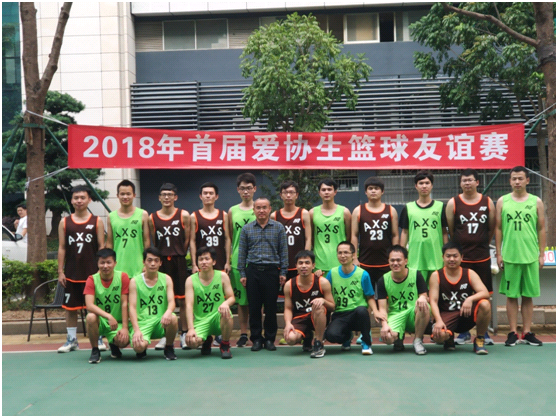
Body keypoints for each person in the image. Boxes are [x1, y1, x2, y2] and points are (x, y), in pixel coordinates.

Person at [496, 166, 546, 347]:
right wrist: (499, 253)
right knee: (511, 296)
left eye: (520, 178)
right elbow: (498, 228)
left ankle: (527, 332)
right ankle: (512, 332)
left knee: (528, 295)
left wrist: (541, 254)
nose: (517, 181)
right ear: (510, 181)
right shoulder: (502, 201)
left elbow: (541, 228)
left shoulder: (536, 201)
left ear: (527, 180)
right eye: (514, 179)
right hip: (510, 256)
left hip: (530, 256)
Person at [446, 168, 495, 345]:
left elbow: (490, 228)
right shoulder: (453, 203)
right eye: (464, 180)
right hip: (462, 259)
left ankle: (483, 332)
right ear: (460, 183)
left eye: (470, 180)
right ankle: (464, 331)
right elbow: (452, 230)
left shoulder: (487, 202)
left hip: (481, 257)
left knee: (483, 296)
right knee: (461, 295)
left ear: (477, 182)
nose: (467, 183)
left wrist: (481, 243)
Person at [57, 185, 105, 353]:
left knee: (94, 307)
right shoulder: (64, 222)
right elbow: (62, 247)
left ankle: (98, 338)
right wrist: (60, 271)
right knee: (71, 308)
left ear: (89, 200)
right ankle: (71, 340)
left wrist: (101, 270)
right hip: (71, 272)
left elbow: (101, 246)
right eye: (76, 198)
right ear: (71, 200)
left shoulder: (97, 221)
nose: (79, 201)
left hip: (92, 273)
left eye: (82, 197)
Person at [238, 197, 288, 351]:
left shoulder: (278, 228)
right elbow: (242, 253)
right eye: (258, 208)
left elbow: (283, 251)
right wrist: (242, 273)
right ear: (254, 210)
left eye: (264, 207)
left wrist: (283, 271)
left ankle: (270, 339)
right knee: (254, 307)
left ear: (270, 209)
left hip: (271, 271)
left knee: (271, 307)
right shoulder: (246, 229)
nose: (261, 210)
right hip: (252, 271)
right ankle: (256, 339)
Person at [429, 242, 491, 355]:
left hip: (466, 314)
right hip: (447, 314)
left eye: (455, 256)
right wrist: (438, 321)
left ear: (461, 257)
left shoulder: (469, 273)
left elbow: (485, 292)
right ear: (443, 257)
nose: (452, 259)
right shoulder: (436, 275)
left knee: (485, 304)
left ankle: (479, 339)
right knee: (439, 337)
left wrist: (470, 299)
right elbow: (433, 301)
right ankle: (449, 337)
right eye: (448, 256)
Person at [148, 182, 190, 349]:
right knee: (164, 300)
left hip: (178, 260)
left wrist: (179, 252)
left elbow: (187, 239)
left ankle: (184, 333)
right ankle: (166, 335)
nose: (167, 197)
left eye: (170, 194)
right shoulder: (152, 218)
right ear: (159, 198)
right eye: (164, 195)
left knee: (182, 299)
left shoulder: (184, 215)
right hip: (162, 262)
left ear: (175, 197)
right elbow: (154, 239)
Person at [376, 245, 430, 355]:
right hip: (395, 314)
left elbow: (424, 295)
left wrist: (422, 298)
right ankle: (398, 339)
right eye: (392, 260)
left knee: (424, 305)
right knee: (388, 338)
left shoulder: (416, 274)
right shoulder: (383, 280)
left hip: (412, 313)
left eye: (398, 260)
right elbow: (382, 309)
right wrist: (384, 325)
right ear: (388, 261)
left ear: (406, 261)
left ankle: (418, 340)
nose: (395, 263)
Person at [324, 241, 376, 355]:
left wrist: (376, 311)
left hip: (357, 315)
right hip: (340, 314)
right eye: (340, 253)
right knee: (331, 335)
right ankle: (347, 336)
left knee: (362, 310)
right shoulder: (332, 273)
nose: (343, 256)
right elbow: (323, 290)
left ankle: (366, 343)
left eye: (346, 252)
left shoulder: (363, 274)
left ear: (353, 255)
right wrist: (317, 276)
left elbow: (370, 296)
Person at [185, 247, 235, 359]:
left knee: (227, 314)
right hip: (201, 320)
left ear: (214, 262)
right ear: (197, 262)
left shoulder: (222, 276)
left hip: (218, 317)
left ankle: (225, 344)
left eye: (207, 259)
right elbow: (188, 305)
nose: (204, 262)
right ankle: (206, 340)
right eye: (201, 259)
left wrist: (226, 303)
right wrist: (190, 328)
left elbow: (232, 297)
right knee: (191, 342)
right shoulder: (190, 280)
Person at [129, 247, 179, 360]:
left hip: (160, 322)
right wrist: (136, 330)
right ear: (144, 262)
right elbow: (131, 308)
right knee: (138, 347)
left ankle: (169, 347)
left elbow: (172, 302)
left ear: (160, 263)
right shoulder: (135, 281)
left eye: (156, 260)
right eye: (149, 260)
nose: (153, 264)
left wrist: (168, 312)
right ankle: (143, 346)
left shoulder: (166, 279)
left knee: (173, 318)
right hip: (143, 323)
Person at [283, 250, 335, 358]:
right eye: (300, 263)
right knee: (290, 339)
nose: (304, 266)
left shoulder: (322, 282)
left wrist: (323, 300)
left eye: (307, 263)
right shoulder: (289, 285)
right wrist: (288, 323)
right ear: (296, 266)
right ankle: (307, 335)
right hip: (300, 317)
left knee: (318, 306)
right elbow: (288, 308)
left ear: (313, 265)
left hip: (318, 316)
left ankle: (318, 343)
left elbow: (332, 307)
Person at [351, 176, 399, 292]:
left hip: (386, 261)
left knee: (387, 294)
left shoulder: (391, 210)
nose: (373, 191)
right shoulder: (358, 210)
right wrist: (354, 257)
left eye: (376, 188)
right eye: (370, 188)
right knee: (367, 295)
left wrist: (394, 256)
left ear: (382, 191)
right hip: (365, 261)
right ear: (365, 192)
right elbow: (354, 235)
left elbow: (395, 235)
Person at [399, 170, 449, 283]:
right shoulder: (408, 208)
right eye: (421, 183)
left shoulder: (440, 207)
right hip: (415, 260)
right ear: (416, 186)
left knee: (435, 291)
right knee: (418, 292)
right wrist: (402, 255)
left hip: (436, 259)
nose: (424, 186)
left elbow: (444, 232)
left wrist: (446, 253)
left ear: (432, 185)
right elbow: (405, 232)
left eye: (427, 183)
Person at [84, 248, 130, 363]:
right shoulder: (91, 279)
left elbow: (125, 303)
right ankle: (95, 350)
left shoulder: (123, 277)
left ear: (115, 263)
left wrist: (125, 328)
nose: (105, 266)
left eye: (109, 262)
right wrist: (108, 316)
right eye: (102, 263)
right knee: (90, 317)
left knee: (124, 341)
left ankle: (113, 344)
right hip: (101, 321)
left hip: (117, 322)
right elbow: (89, 305)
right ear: (97, 264)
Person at [228, 173, 257, 347]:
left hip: (257, 261)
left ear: (254, 189)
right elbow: (229, 238)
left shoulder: (260, 208)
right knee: (242, 301)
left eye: (249, 188)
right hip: (238, 261)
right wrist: (228, 260)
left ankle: (257, 333)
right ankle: (244, 333)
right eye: (242, 188)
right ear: (238, 190)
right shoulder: (232, 211)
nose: (246, 191)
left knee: (257, 300)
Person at [106, 179, 150, 278]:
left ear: (134, 195)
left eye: (128, 194)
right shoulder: (111, 217)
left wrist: (146, 263)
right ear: (117, 195)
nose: (125, 197)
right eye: (122, 194)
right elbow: (109, 243)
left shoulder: (143, 214)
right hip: (117, 267)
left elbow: (146, 241)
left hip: (138, 267)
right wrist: (108, 263)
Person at [271, 180, 312, 281]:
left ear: (296, 195)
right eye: (285, 192)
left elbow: (308, 238)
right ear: (281, 195)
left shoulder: (303, 213)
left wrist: (305, 259)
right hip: (281, 264)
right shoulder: (274, 216)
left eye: (291, 192)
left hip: (298, 263)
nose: (288, 195)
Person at [309, 178, 351, 277]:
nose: (326, 192)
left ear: (335, 192)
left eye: (329, 189)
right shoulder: (312, 213)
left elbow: (348, 236)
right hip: (319, 264)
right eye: (323, 190)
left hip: (340, 262)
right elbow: (311, 237)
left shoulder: (344, 212)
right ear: (319, 193)